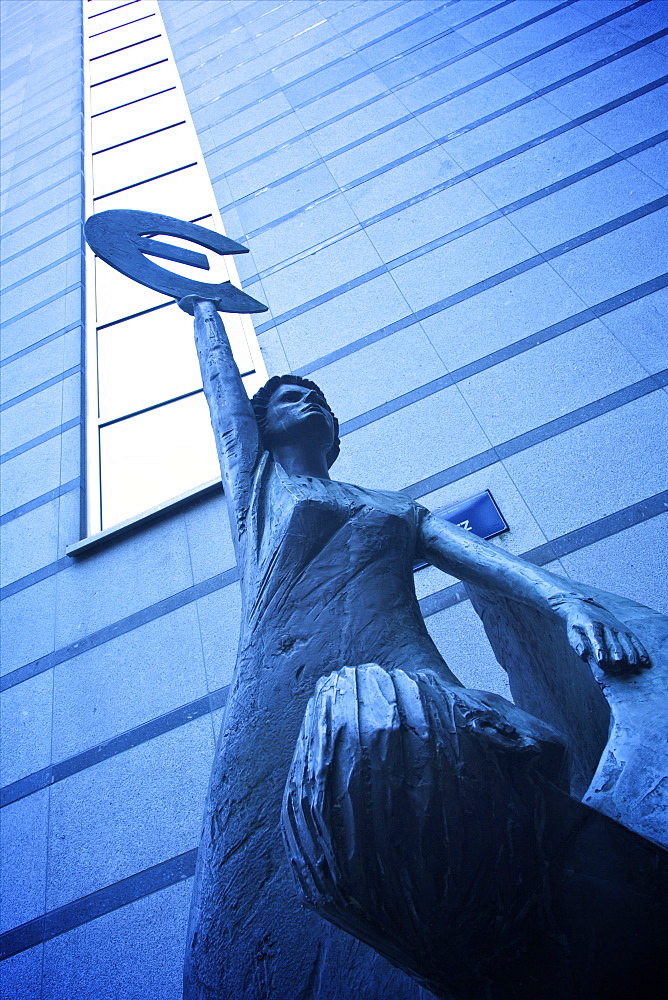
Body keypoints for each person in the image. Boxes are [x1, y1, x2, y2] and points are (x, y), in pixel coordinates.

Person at [180, 297, 649, 1000]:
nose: (302, 397)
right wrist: (206, 311)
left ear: (335, 430)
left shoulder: (397, 506)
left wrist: (568, 603)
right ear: (261, 426)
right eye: (284, 396)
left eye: (314, 395)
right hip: (289, 690)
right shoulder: (261, 493)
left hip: (402, 659)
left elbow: (485, 563)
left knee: (530, 749)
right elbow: (222, 397)